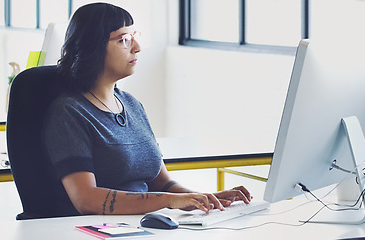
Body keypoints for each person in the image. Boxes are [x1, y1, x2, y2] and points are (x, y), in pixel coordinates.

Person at [43, 2, 252, 216]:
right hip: (96, 230)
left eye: (134, 36)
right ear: (91, 46)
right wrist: (170, 201)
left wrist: (206, 199)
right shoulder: (69, 112)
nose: (137, 47)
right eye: (124, 40)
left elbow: (163, 183)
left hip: (142, 224)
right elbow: (86, 199)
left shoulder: (132, 105)